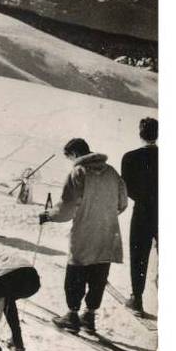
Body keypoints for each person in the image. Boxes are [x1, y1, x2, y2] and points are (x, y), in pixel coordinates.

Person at [40, 138, 127, 334]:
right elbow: (122, 202)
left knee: (76, 272)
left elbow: (66, 209)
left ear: (75, 154)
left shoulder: (78, 172)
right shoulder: (112, 172)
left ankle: (72, 315)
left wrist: (48, 215)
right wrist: (105, 214)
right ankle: (89, 316)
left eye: (69, 157)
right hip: (107, 231)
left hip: (83, 231)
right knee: (99, 271)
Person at [121, 117, 158, 316]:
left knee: (139, 256)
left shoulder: (130, 157)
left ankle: (137, 298)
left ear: (140, 133)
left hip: (143, 212)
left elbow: (128, 189)